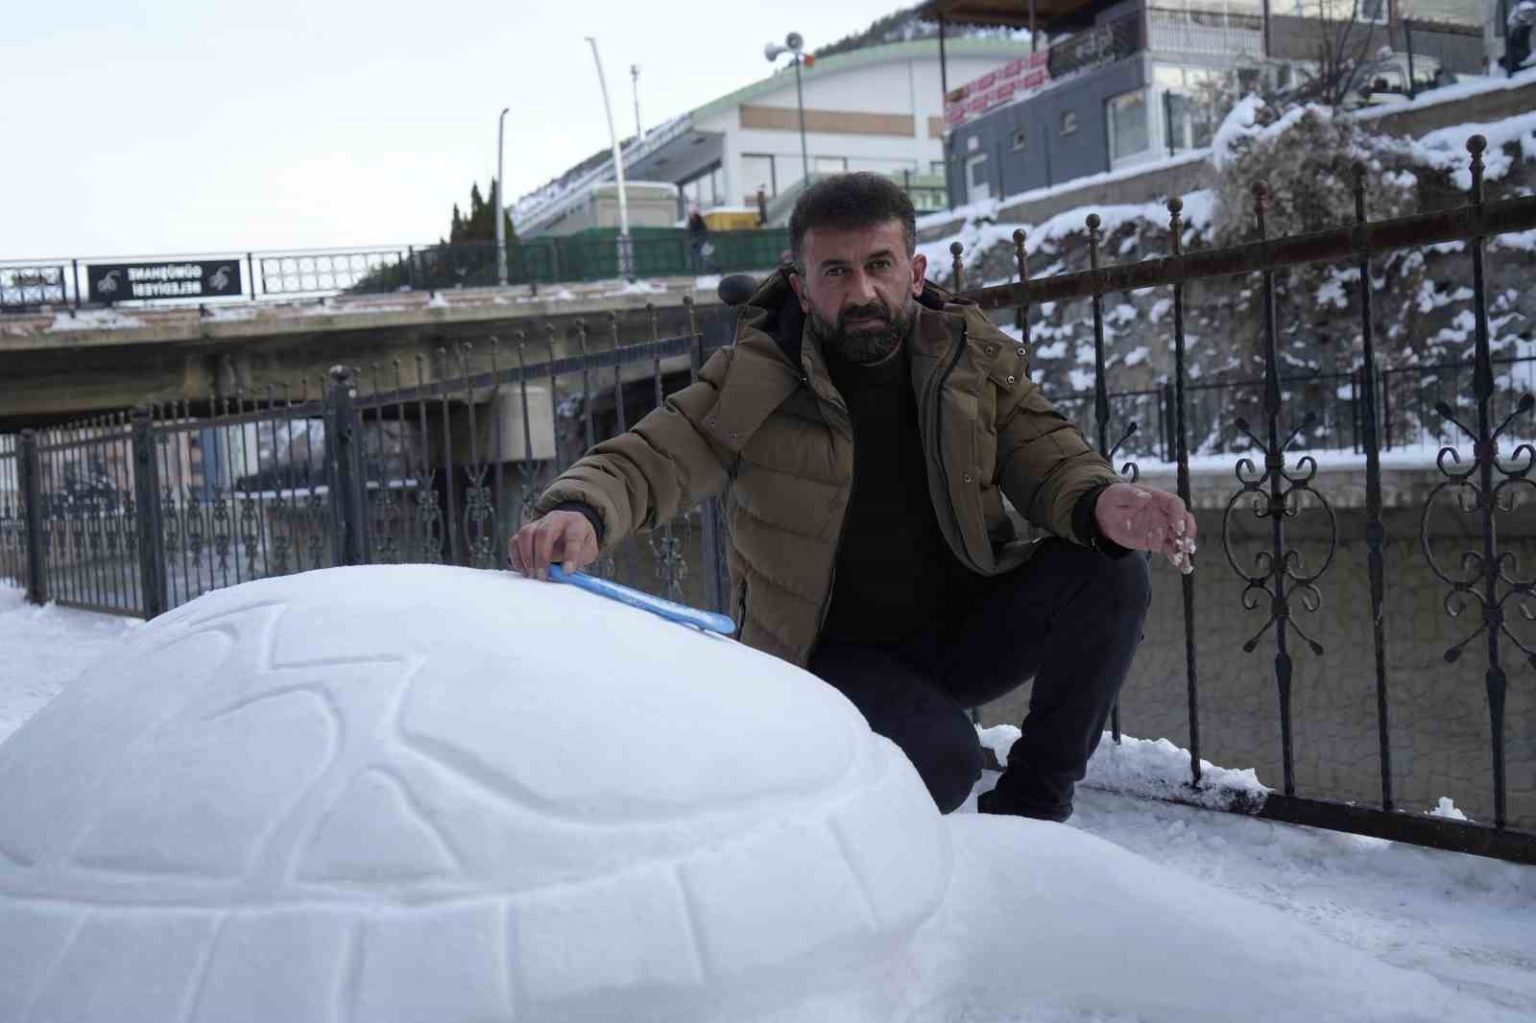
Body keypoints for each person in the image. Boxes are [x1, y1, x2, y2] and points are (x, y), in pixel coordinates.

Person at [509, 172, 1196, 821]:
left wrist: (1100, 501)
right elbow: (657, 453)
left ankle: (1032, 814)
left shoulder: (968, 358)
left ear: (914, 272)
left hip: (962, 631)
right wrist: (582, 508)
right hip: (827, 657)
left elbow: (1046, 452)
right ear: (802, 287)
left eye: (879, 265)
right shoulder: (757, 377)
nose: (861, 290)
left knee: (1109, 570)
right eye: (836, 271)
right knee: (942, 762)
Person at [687, 207, 714, 273]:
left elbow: (703, 231)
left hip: (701, 241)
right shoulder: (691, 222)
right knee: (696, 256)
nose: (692, 216)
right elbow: (690, 232)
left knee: (704, 255)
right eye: (691, 215)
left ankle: (707, 268)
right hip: (695, 242)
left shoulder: (699, 222)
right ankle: (697, 269)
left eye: (693, 215)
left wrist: (698, 239)